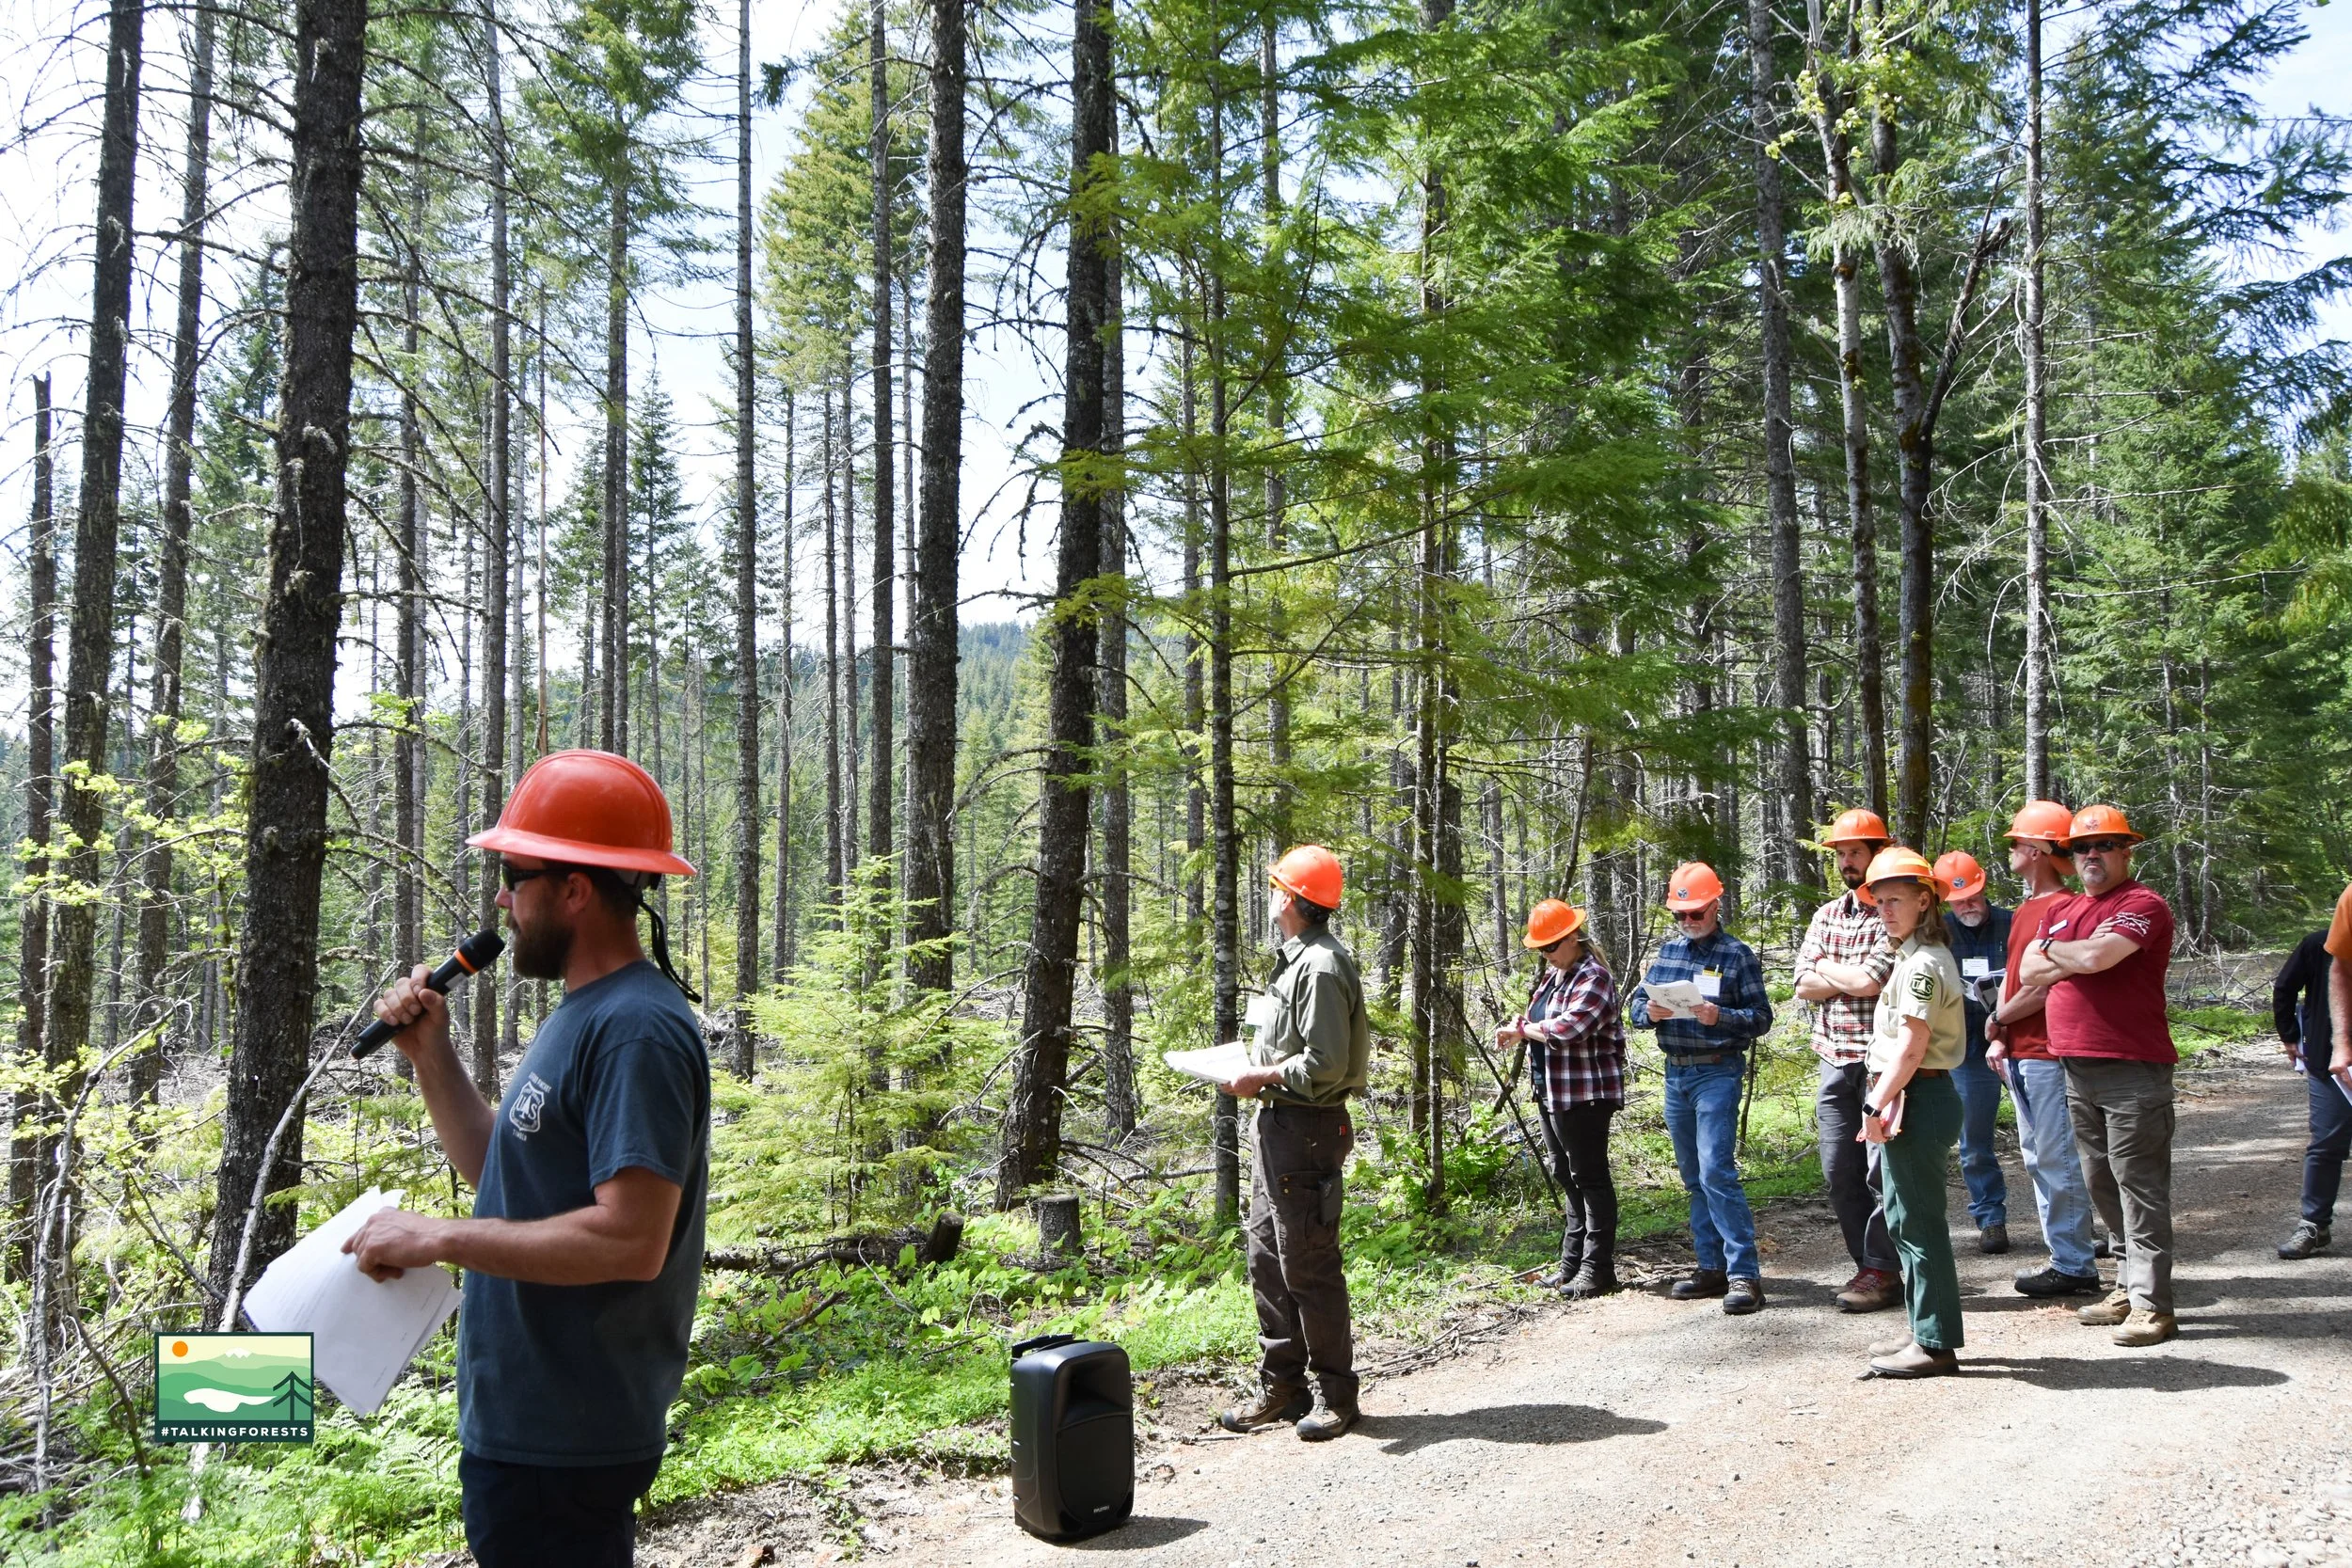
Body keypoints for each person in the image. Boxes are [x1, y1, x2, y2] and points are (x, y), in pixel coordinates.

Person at [345, 750, 710, 1568]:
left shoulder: (637, 1030)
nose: (502, 899)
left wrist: (439, 1237)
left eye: (515, 874)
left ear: (576, 888)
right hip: (528, 1428)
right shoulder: (585, 1014)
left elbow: (630, 1239)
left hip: (567, 1437)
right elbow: (506, 1180)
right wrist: (430, 1054)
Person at [1217, 845, 1373, 1442]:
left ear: (1291, 898)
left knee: (1308, 1265)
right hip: (1278, 1128)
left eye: (1276, 887)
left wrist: (1263, 1076)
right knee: (1268, 1260)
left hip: (1308, 1130)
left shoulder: (1322, 967)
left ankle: (1337, 1395)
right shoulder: (1296, 960)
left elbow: (1326, 1064)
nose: (1271, 895)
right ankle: (1282, 1389)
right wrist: (1253, 1066)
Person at [2017, 804, 2179, 1348]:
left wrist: (2063, 956)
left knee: (2140, 1186)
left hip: (2133, 1068)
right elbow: (2031, 971)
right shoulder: (2064, 912)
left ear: (2126, 851)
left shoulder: (2142, 903)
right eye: (2081, 848)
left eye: (2104, 846)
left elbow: (2100, 958)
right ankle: (2128, 1285)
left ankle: (2154, 1306)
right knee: (2099, 1182)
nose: (2090, 855)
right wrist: (2071, 955)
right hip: (2074, 1064)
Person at [1626, 863, 1775, 1315]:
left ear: (1716, 904)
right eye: (1681, 915)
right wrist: (1649, 1013)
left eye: (1696, 913)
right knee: (1694, 1178)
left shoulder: (1736, 955)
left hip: (1717, 1071)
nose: (1689, 922)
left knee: (1716, 1172)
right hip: (1676, 1074)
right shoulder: (1668, 952)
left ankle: (1744, 1275)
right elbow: (1634, 1007)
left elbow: (1762, 1018)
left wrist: (1720, 1017)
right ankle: (1710, 1267)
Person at [1856, 848, 1968, 1379]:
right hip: (1908, 1095)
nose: (1885, 909)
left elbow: (1912, 1047)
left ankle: (1936, 1343)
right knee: (1903, 1218)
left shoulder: (1924, 963)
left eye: (1896, 899)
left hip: (1918, 1095)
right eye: (1879, 901)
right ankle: (1924, 1327)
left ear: (1925, 900)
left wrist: (1874, 1101)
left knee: (1920, 1223)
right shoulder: (1908, 957)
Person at [1985, 800, 2103, 1297]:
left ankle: (2075, 1263)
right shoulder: (2027, 910)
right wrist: (2001, 1035)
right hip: (2020, 1050)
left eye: (2017, 843)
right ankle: (2069, 1253)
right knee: (2037, 1156)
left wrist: (1997, 1018)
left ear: (2035, 850)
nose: (2011, 850)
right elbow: (2016, 980)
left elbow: (2045, 983)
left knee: (2054, 1156)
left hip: (2047, 1052)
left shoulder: (2064, 907)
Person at [1792, 808, 1904, 1313]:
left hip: (1882, 1063)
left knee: (1882, 1172)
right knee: (1840, 1170)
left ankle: (1883, 1269)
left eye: (1854, 852)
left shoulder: (1896, 911)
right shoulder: (1827, 914)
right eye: (1840, 854)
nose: (1845, 862)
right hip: (1834, 1059)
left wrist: (1829, 970)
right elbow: (1803, 985)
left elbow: (1870, 982)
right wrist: (1843, 974)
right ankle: (1871, 1265)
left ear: (1880, 851)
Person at [1498, 900, 1626, 1299]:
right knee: (1565, 1175)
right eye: (1542, 949)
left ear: (1573, 937)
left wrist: (1525, 1030)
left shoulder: (1595, 977)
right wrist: (1522, 1028)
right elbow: (1538, 1021)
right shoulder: (1556, 976)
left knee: (1590, 1177)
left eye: (1552, 946)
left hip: (1585, 1094)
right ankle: (1571, 1265)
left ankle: (1598, 1268)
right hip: (1551, 1089)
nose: (1547, 954)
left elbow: (1569, 1028)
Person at [1937, 849, 2013, 1254]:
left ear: (1984, 889)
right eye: (1957, 901)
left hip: (2021, 1044)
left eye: (1972, 898)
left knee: (2051, 1140)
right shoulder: (1941, 933)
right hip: (1968, 1050)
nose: (1966, 907)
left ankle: (2075, 1225)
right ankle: (1991, 1219)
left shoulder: (2013, 923)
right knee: (1974, 1141)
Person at [2271, 928, 2345, 1259]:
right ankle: (2314, 1224)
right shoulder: (2320, 943)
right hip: (2330, 1062)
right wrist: (2290, 1034)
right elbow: (2285, 986)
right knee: (2326, 1144)